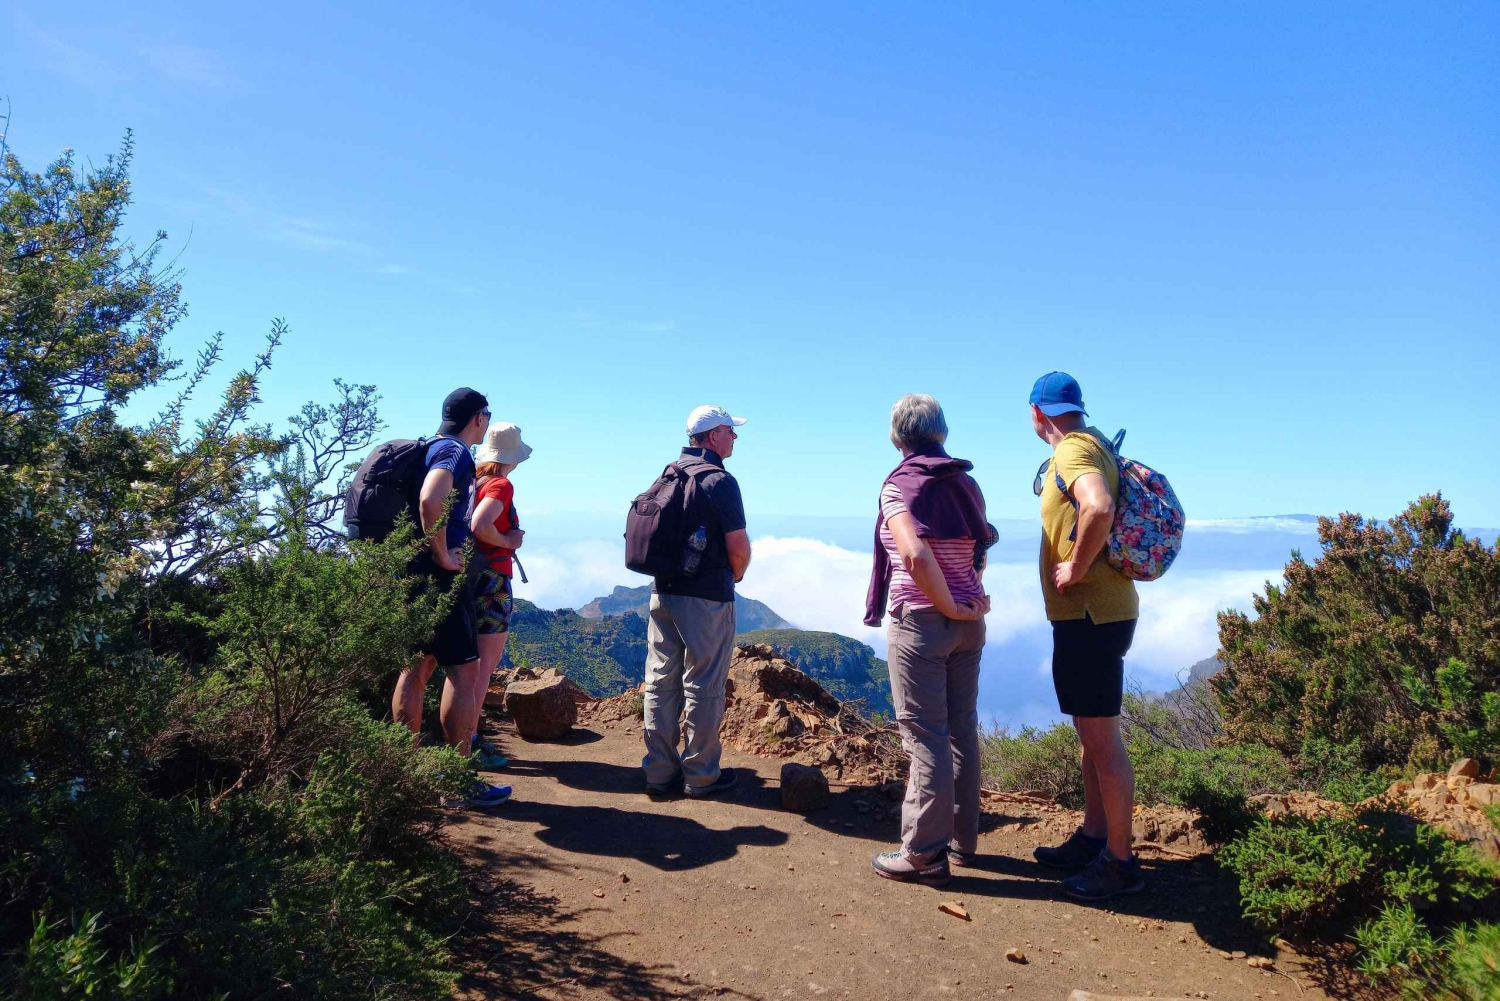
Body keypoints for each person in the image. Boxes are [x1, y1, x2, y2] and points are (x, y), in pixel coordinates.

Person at [865, 395, 993, 887]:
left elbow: (915, 554)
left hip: (922, 621)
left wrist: (946, 604)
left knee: (925, 737)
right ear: (942, 434)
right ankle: (961, 843)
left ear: (898, 438)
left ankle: (922, 853)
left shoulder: (900, 485)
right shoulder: (967, 483)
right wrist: (967, 600)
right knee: (961, 730)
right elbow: (980, 545)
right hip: (968, 624)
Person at [1027, 371, 1141, 900]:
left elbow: (1097, 506)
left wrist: (1073, 566)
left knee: (1102, 739)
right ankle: (1096, 836)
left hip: (1092, 616)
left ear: (1036, 412)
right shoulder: (1093, 443)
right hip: (1101, 614)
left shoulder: (1072, 451)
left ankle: (1119, 862)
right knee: (1089, 734)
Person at [390, 387, 510, 807]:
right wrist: (442, 553)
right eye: (487, 415)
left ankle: (403, 774)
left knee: (415, 668)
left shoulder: (426, 449)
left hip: (409, 576)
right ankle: (456, 783)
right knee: (464, 674)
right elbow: (430, 498)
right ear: (477, 418)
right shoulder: (455, 453)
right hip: (439, 578)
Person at [640, 405, 752, 799]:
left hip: (661, 592)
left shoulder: (669, 472)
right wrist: (735, 576)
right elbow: (738, 547)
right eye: (729, 431)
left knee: (659, 680)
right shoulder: (720, 481)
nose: (735, 437)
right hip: (706, 595)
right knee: (703, 683)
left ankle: (657, 771)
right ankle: (701, 775)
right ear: (711, 437)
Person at [467, 422, 533, 771]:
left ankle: (458, 740)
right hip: (491, 583)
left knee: (464, 666)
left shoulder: (471, 481)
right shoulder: (500, 484)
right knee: (481, 669)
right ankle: (471, 743)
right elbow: (480, 525)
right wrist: (508, 542)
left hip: (463, 578)